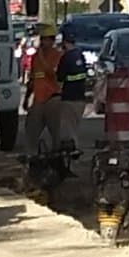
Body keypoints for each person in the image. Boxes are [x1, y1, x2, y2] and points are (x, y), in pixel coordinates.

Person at [21, 24, 63, 156]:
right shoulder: (35, 58)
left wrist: (42, 59)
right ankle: (31, 157)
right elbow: (32, 79)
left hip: (53, 98)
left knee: (57, 133)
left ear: (52, 40)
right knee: (31, 130)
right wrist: (27, 98)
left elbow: (52, 73)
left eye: (46, 39)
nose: (43, 42)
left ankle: (58, 159)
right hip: (38, 100)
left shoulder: (58, 56)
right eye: (42, 39)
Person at [55, 23, 90, 159]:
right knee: (74, 127)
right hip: (80, 98)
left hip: (69, 97)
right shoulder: (80, 55)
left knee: (67, 129)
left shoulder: (66, 58)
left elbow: (60, 78)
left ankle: (70, 153)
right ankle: (73, 150)